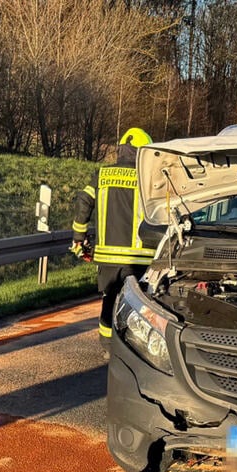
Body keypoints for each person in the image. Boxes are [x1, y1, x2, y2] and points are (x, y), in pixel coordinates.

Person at [71, 127, 155, 352]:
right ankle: (136, 349)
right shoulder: (148, 180)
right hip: (139, 257)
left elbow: (83, 202)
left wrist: (79, 237)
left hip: (107, 258)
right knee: (140, 304)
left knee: (109, 300)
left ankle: (108, 348)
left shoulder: (102, 175)